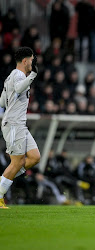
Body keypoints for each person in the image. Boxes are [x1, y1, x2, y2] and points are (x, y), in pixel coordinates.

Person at [0, 47, 40, 209]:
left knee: (34, 157)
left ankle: (3, 181)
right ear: (25, 61)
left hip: (19, 124)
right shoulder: (18, 75)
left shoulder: (11, 76)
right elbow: (17, 89)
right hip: (14, 124)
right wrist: (33, 75)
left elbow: (2, 102)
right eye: (31, 60)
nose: (32, 62)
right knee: (16, 163)